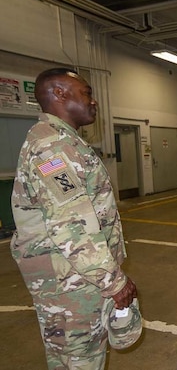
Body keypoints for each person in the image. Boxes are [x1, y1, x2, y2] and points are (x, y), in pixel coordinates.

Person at [10, 68, 138, 369]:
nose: (94, 101)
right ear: (60, 94)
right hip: (69, 284)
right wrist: (114, 282)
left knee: (76, 360)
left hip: (77, 279)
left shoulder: (64, 141)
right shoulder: (52, 146)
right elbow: (71, 226)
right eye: (87, 92)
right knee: (79, 361)